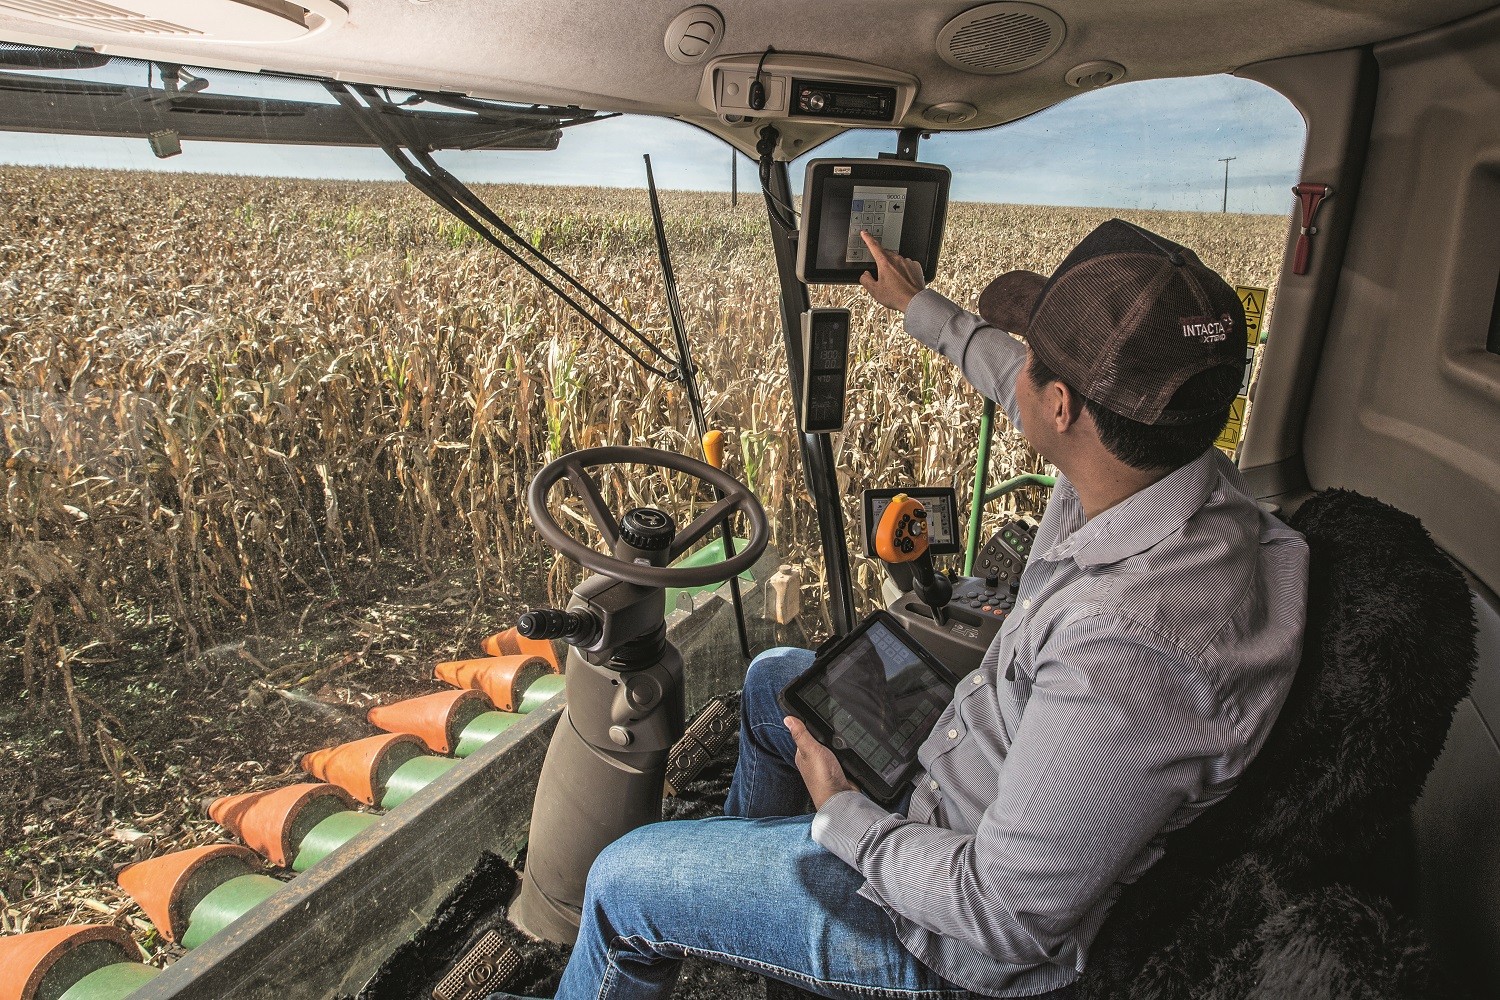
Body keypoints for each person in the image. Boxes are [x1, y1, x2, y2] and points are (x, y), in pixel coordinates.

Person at [493, 219, 1309, 999]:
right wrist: (918, 306)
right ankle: (738, 913)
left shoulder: (1131, 652)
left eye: (1032, 361)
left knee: (624, 880)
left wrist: (843, 818)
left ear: (1062, 406)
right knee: (776, 677)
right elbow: (1010, 376)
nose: (1013, 368)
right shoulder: (1164, 469)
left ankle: (695, 912)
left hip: (950, 942)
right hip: (979, 776)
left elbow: (1003, 916)